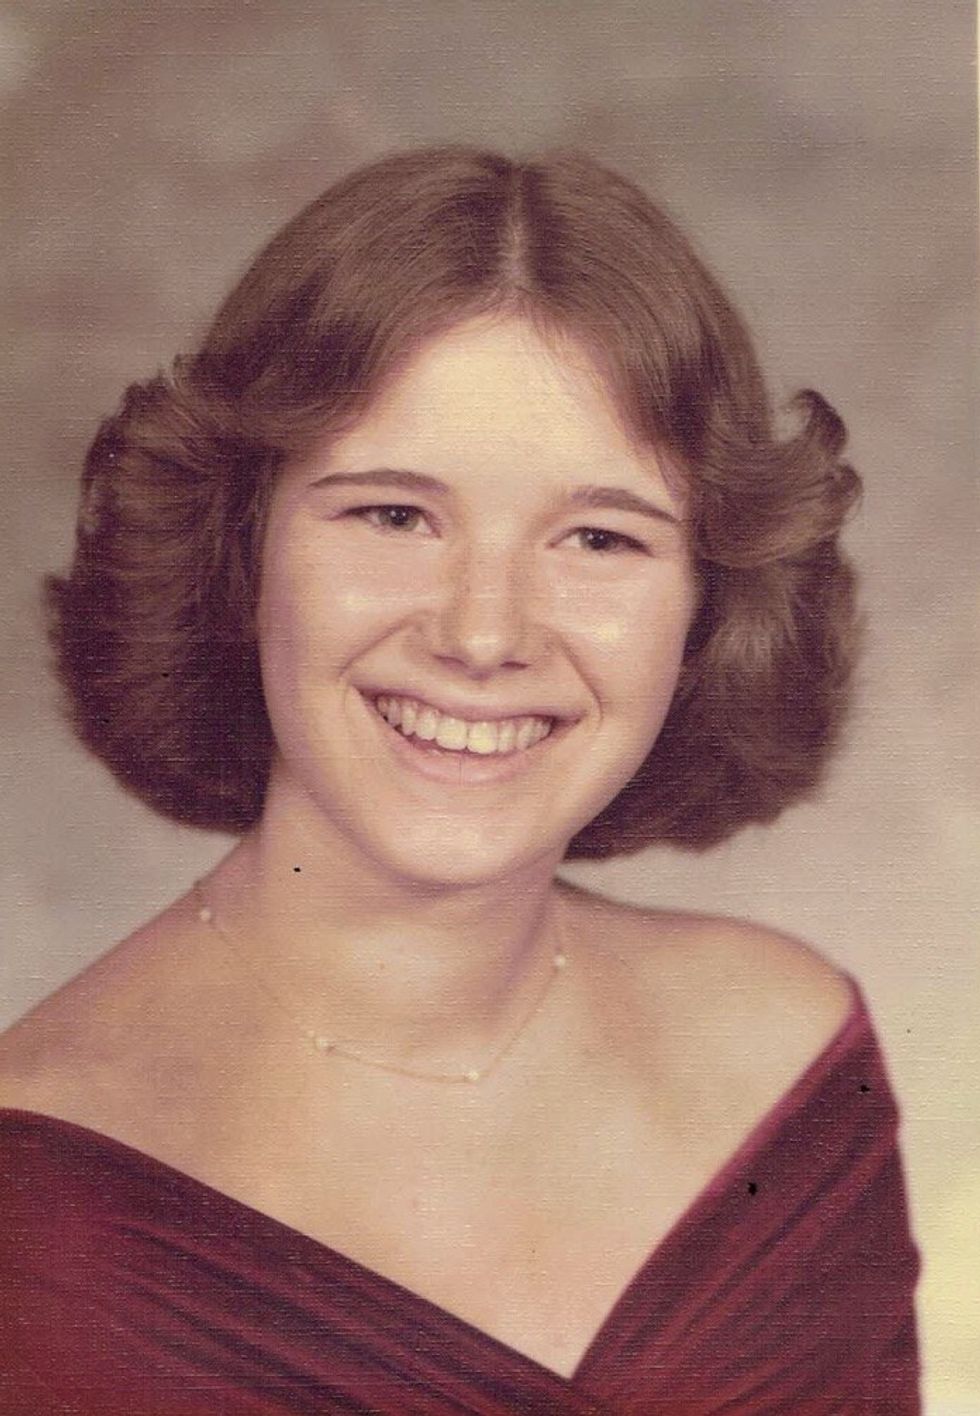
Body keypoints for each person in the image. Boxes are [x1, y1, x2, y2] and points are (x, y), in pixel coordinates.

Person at [0, 147, 919, 1414]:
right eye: (392, 516)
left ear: (708, 606)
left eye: (597, 537)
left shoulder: (786, 1056)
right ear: (237, 553)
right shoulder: (39, 1197)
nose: (483, 635)